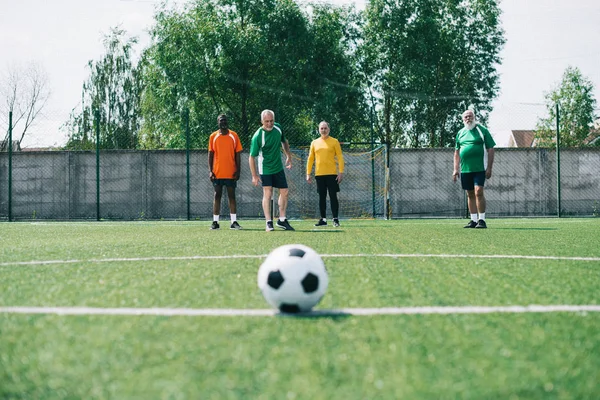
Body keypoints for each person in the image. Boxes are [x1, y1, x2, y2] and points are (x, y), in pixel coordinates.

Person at [248, 109, 295, 232]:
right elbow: (251, 157)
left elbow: (284, 141)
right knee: (267, 193)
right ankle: (269, 222)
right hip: (265, 168)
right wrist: (254, 175)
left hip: (278, 166)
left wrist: (288, 156)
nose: (269, 124)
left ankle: (282, 219)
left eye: (271, 121)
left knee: (284, 191)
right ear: (261, 121)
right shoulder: (258, 136)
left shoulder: (278, 128)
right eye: (266, 121)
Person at [453, 109, 496, 229]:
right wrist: (455, 169)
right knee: (470, 193)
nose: (468, 118)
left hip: (480, 168)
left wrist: (489, 168)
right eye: (466, 117)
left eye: (470, 116)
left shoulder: (482, 130)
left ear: (474, 117)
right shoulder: (460, 133)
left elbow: (490, 149)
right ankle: (473, 220)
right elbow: (457, 152)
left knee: (478, 191)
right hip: (465, 169)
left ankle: (482, 220)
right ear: (463, 119)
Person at [306, 121, 345, 227]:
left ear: (329, 129)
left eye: (325, 128)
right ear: (319, 130)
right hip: (319, 175)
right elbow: (310, 159)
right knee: (321, 197)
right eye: (321, 128)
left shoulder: (334, 141)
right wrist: (308, 173)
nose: (323, 130)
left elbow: (340, 157)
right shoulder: (314, 143)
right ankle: (323, 219)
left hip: (332, 174)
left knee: (333, 196)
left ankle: (335, 219)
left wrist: (341, 172)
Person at [208, 114, 243, 230]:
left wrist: (238, 170)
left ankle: (233, 222)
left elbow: (238, 154)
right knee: (217, 196)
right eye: (221, 120)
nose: (223, 122)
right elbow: (210, 154)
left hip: (231, 172)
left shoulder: (234, 135)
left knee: (232, 196)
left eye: (225, 120)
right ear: (218, 122)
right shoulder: (213, 136)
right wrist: (210, 171)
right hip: (217, 172)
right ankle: (215, 222)